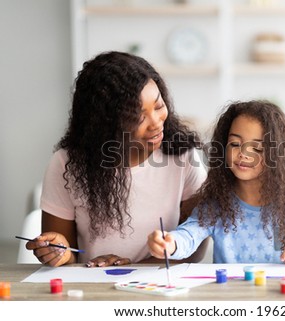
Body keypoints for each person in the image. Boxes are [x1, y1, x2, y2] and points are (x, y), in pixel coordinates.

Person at [25, 51, 208, 267]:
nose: (156, 122)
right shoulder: (67, 163)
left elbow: (194, 247)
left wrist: (131, 267)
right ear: (104, 124)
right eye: (138, 116)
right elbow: (67, 254)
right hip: (91, 284)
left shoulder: (183, 156)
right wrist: (60, 253)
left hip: (157, 280)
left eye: (158, 106)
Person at [148, 100, 285, 264]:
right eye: (235, 144)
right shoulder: (217, 204)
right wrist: (170, 243)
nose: (244, 153)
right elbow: (189, 234)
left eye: (257, 148)